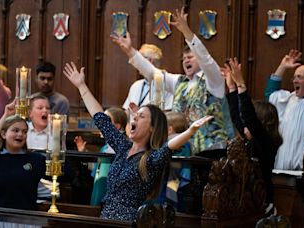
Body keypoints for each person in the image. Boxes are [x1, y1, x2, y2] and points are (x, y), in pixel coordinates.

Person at [63, 61, 212, 221]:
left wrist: (190, 131)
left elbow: (169, 146)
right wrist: (81, 86)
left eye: (141, 117)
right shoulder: (123, 147)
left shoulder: (151, 159)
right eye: (135, 115)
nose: (134, 118)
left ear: (152, 128)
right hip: (105, 219)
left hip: (129, 223)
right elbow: (100, 118)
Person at [112, 7, 234, 156]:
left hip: (212, 150)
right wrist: (130, 51)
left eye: (190, 57)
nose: (186, 60)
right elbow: (153, 73)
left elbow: (206, 59)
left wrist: (187, 33)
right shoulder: (179, 82)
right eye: (184, 58)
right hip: (183, 149)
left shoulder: (213, 79)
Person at [223, 58, 281, 215]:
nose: (244, 124)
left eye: (251, 122)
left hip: (262, 204)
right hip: (247, 201)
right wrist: (232, 87)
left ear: (262, 122)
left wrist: (241, 84)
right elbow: (236, 116)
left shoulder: (266, 142)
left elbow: (249, 117)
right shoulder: (250, 136)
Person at [157, 111, 191, 212]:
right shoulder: (185, 140)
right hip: (174, 175)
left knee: (169, 200)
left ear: (170, 129)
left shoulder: (176, 141)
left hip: (174, 175)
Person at [123, 44, 174, 111]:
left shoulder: (167, 85)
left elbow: (168, 113)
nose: (137, 65)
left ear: (150, 61)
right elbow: (127, 111)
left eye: (140, 60)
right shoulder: (136, 85)